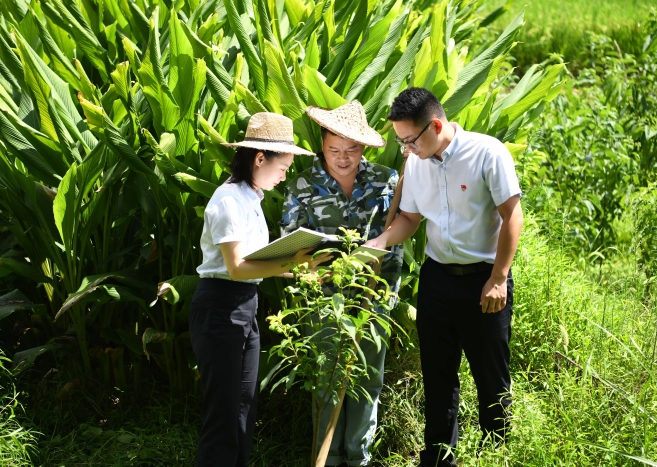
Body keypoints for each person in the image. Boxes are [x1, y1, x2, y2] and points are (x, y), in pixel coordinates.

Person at [365, 88, 524, 466]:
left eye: (409, 140)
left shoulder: (487, 152)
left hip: (484, 280)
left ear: (435, 125)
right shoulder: (417, 161)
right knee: (437, 379)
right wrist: (381, 241)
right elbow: (409, 218)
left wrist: (499, 277)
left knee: (491, 379)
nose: (405, 148)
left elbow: (512, 215)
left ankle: (495, 457)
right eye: (400, 141)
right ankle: (437, 460)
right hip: (437, 279)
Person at [189, 112, 331, 467]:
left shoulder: (252, 196)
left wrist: (302, 271)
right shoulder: (228, 200)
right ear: (259, 158)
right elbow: (236, 267)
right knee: (223, 411)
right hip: (221, 306)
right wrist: (294, 263)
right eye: (283, 165)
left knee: (244, 406)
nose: (285, 174)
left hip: (245, 304)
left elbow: (256, 263)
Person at [280, 101, 404, 467]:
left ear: (363, 148)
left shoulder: (387, 181)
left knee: (367, 380)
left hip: (373, 300)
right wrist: (323, 272)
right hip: (323, 301)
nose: (343, 158)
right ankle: (327, 458)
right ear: (322, 145)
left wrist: (382, 287)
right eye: (334, 150)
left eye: (351, 150)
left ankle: (357, 458)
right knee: (326, 381)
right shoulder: (302, 185)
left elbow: (396, 238)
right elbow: (290, 246)